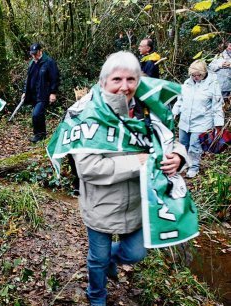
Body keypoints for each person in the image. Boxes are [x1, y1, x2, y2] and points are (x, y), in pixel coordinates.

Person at [70, 52, 187, 306]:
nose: (125, 86)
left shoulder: (148, 110)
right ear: (103, 82)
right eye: (117, 79)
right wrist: (136, 162)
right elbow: (88, 167)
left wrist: (178, 155)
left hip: (137, 204)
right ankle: (96, 296)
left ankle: (112, 261)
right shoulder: (88, 115)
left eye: (131, 79)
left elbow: (170, 140)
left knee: (135, 253)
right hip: (100, 205)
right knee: (97, 259)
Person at [172, 60, 224, 178]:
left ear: (204, 73)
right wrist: (175, 112)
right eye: (193, 75)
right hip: (185, 120)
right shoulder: (187, 83)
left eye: (198, 75)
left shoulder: (213, 84)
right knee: (183, 144)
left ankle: (194, 167)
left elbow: (217, 105)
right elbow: (180, 100)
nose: (195, 77)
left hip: (202, 121)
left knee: (194, 146)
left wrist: (218, 125)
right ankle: (183, 164)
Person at [22, 43, 60, 143]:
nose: (34, 56)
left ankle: (37, 135)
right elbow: (28, 79)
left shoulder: (49, 62)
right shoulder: (32, 63)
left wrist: (53, 92)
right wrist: (25, 91)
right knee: (39, 114)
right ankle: (42, 135)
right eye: (32, 54)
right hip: (34, 94)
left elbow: (55, 78)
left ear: (40, 51)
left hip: (44, 93)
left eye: (35, 53)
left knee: (36, 114)